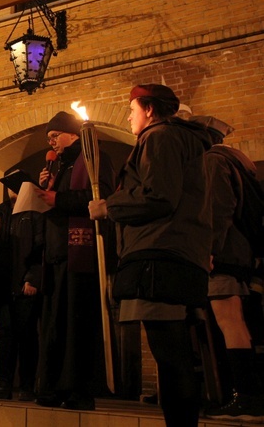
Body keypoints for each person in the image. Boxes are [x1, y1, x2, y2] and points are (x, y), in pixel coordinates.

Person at [89, 84, 212, 426]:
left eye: (132, 109)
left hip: (159, 255)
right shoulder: (180, 140)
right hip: (174, 253)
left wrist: (108, 207)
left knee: (171, 357)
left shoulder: (160, 138)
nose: (129, 115)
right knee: (174, 356)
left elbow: (159, 196)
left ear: (149, 109)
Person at [34, 110, 115, 411]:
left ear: (73, 134)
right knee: (55, 326)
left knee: (76, 325)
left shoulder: (95, 161)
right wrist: (45, 188)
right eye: (49, 139)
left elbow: (100, 198)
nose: (52, 142)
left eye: (55, 135)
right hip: (56, 255)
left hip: (79, 254)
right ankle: (53, 386)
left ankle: (79, 389)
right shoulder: (59, 167)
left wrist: (58, 199)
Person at [188, 115, 264, 420]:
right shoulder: (238, 162)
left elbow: (217, 210)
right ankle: (241, 395)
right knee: (234, 322)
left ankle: (246, 397)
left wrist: (209, 249)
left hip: (224, 253)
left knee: (230, 322)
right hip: (237, 251)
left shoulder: (212, 162)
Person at [0, 169, 44, 401]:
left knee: (27, 336)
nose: (12, 191)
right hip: (2, 285)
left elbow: (41, 248)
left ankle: (28, 385)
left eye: (16, 186)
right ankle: (3, 383)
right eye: (10, 186)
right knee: (6, 335)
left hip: (23, 284)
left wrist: (33, 277)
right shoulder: (1, 212)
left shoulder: (34, 213)